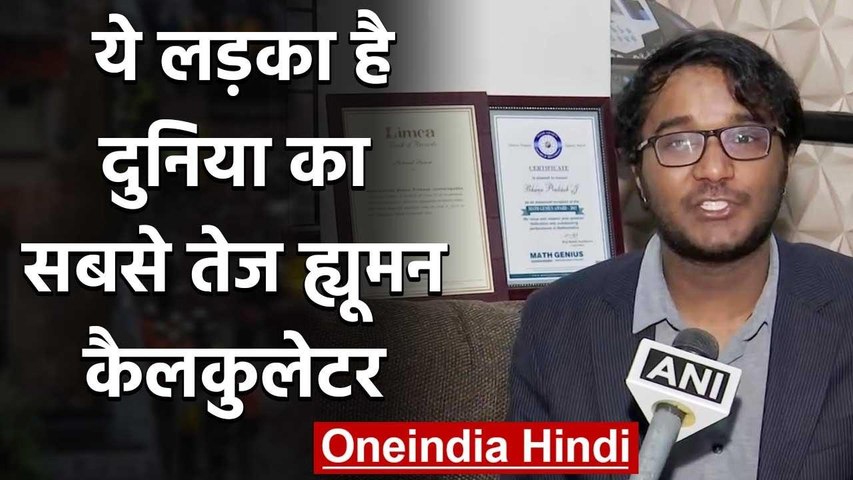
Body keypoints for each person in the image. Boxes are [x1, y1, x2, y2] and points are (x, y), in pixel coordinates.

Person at [506, 30, 853, 480]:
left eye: (744, 137)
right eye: (678, 142)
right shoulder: (558, 323)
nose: (714, 169)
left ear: (786, 157)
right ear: (638, 172)